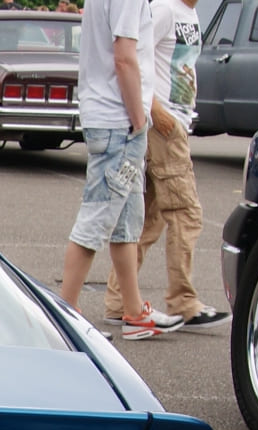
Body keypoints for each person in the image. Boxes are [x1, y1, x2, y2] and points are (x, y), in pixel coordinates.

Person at [58, 0, 183, 339]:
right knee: (97, 217)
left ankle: (133, 310)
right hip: (120, 123)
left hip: (113, 121)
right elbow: (125, 56)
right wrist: (140, 120)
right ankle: (66, 312)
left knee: (126, 218)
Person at [102, 0, 229, 329]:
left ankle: (118, 300)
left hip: (177, 123)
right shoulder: (164, 10)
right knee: (187, 213)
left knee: (149, 219)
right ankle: (183, 301)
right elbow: (135, 60)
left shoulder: (190, 14)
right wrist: (156, 110)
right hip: (164, 126)